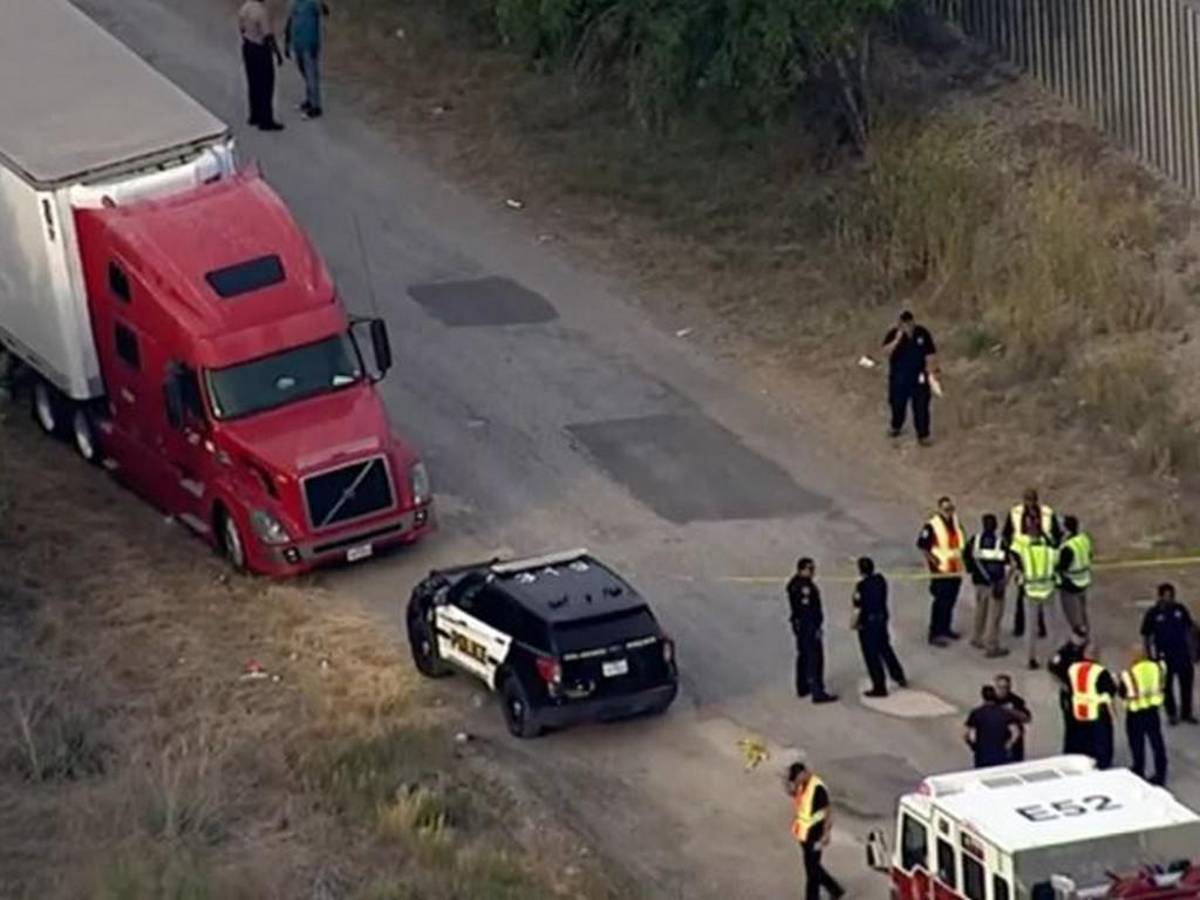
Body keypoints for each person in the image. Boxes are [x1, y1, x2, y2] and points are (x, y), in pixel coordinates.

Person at [1004, 488, 1061, 639]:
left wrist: (1050, 551)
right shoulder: (1015, 513)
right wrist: (1011, 555)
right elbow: (1007, 534)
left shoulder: (1047, 514)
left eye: (1032, 500)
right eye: (1027, 500)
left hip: (1041, 559)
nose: (1030, 503)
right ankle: (1020, 626)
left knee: (1041, 594)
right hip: (1022, 559)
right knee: (1022, 594)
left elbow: (1056, 535)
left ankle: (1041, 627)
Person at [784, 757, 845, 900]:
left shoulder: (817, 788)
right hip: (804, 835)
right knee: (813, 867)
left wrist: (826, 834)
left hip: (816, 836)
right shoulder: (802, 785)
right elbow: (796, 797)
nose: (796, 782)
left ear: (803, 773)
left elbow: (828, 811)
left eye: (796, 779)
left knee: (812, 872)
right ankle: (835, 889)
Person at [851, 557, 907, 698]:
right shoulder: (880, 581)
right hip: (881, 619)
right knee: (885, 648)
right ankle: (898, 675)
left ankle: (879, 686)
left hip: (868, 623)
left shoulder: (861, 587)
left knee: (872, 656)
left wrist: (855, 623)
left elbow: (858, 607)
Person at [1141, 583, 1196, 725]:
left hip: (1182, 654)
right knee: (1167, 686)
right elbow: (1146, 635)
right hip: (1164, 655)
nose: (1169, 599)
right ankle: (1171, 713)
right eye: (1166, 596)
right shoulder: (1153, 613)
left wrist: (1194, 651)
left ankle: (1186, 712)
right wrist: (1150, 656)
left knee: (1186, 685)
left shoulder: (1180, 609)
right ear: (1160, 597)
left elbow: (1190, 629)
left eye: (1171, 596)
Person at [882, 310, 939, 445]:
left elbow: (930, 353)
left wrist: (932, 371)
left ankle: (923, 435)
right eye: (904, 323)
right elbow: (885, 352)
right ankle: (896, 426)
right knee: (897, 404)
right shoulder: (893, 334)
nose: (907, 325)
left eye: (909, 322)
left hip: (919, 376)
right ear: (900, 324)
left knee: (921, 405)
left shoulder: (922, 333)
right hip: (899, 376)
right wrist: (897, 339)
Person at [917, 496, 965, 647]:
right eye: (946, 509)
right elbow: (922, 546)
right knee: (940, 603)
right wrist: (933, 561)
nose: (949, 512)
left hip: (955, 569)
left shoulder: (956, 522)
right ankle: (934, 633)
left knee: (950, 601)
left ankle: (945, 629)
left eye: (951, 509)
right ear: (939, 509)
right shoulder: (932, 525)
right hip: (941, 571)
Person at [787, 559, 838, 704]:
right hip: (808, 626)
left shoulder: (794, 583)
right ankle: (817, 691)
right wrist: (816, 627)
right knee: (814, 658)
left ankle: (803, 686)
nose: (813, 572)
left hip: (800, 625)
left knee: (803, 655)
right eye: (810, 569)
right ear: (803, 569)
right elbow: (808, 609)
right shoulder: (804, 587)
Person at [1120, 645, 1168, 785]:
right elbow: (1162, 684)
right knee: (1157, 742)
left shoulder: (1129, 674)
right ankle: (1161, 773)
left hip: (1136, 711)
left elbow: (1123, 693)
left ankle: (1138, 768)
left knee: (1137, 742)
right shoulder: (1158, 668)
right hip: (1153, 710)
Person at [963, 513, 1009, 657]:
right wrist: (1004, 582)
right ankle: (992, 646)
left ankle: (976, 638)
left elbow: (966, 556)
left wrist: (972, 571)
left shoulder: (974, 540)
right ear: (995, 526)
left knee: (980, 611)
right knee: (994, 617)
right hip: (996, 585)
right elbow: (1007, 563)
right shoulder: (1000, 542)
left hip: (979, 583)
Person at [1067, 649, 1118, 769]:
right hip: (1096, 711)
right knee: (1101, 741)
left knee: (1083, 739)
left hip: (1079, 710)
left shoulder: (1074, 669)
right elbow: (1109, 691)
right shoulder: (1099, 672)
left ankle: (1086, 761)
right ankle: (1102, 764)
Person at [1012, 535, 1057, 670]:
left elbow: (1019, 574)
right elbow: (1057, 568)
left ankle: (1030, 659)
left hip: (1031, 593)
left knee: (1030, 628)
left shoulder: (1025, 554)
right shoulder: (1051, 553)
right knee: (1051, 627)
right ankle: (1052, 658)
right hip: (1048, 592)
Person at [239, 0, 285, 131]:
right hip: (260, 49)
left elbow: (241, 28)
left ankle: (254, 114)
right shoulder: (261, 11)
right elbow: (268, 35)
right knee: (266, 85)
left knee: (253, 82)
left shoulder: (245, 7)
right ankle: (266, 120)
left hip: (248, 46)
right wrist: (277, 53)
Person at [1049, 628, 1090, 754]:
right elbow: (1052, 669)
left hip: (1085, 693)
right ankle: (1070, 750)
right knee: (1071, 724)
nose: (1080, 639)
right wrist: (1062, 685)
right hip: (1070, 694)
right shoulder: (1064, 652)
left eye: (1083, 637)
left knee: (1085, 723)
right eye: (1078, 636)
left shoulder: (1087, 650)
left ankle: (1085, 748)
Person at [286, 0, 329, 119]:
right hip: (298, 43)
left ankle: (316, 107)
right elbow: (290, 21)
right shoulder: (293, 3)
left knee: (311, 75)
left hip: (310, 43)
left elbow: (325, 11)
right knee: (304, 72)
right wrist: (287, 41)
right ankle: (310, 100)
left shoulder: (313, 2)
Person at [964, 685, 1021, 768]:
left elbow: (966, 734)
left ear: (983, 696)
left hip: (982, 754)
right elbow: (1016, 732)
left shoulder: (976, 713)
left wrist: (973, 745)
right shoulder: (1004, 712)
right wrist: (1008, 745)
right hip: (1001, 753)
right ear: (995, 695)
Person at [1057, 515, 1092, 633]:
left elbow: (1061, 566)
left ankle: (1079, 639)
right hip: (1084, 579)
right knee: (1082, 611)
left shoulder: (1068, 547)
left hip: (1071, 583)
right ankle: (1086, 633)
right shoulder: (1084, 539)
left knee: (1073, 615)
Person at [994, 674, 1032, 762]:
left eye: (1005, 687)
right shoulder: (991, 700)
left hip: (1014, 742)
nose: (1002, 690)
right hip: (996, 739)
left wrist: (1012, 711)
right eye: (999, 687)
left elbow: (1027, 718)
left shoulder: (1016, 701)